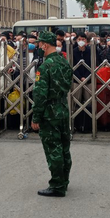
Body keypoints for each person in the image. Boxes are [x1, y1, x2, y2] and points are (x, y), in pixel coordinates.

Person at [32, 31, 73, 198]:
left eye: (40, 43)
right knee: (64, 148)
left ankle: (57, 185)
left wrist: (36, 117)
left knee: (53, 149)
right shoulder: (63, 62)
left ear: (45, 45)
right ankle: (64, 180)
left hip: (50, 113)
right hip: (62, 108)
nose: (38, 46)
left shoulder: (45, 67)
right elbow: (68, 84)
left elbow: (40, 94)